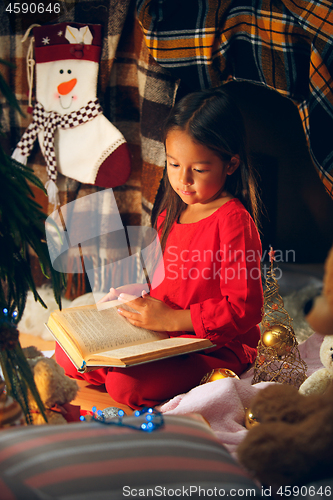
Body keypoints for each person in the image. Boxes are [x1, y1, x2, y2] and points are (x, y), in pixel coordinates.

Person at [55, 87, 264, 409]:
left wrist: (172, 320)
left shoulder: (234, 222)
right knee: (67, 353)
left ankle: (195, 374)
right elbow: (166, 285)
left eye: (200, 169)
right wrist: (132, 296)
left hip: (213, 345)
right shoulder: (171, 212)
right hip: (163, 335)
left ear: (231, 164)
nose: (183, 180)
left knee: (125, 385)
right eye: (173, 164)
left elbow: (244, 308)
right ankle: (121, 363)